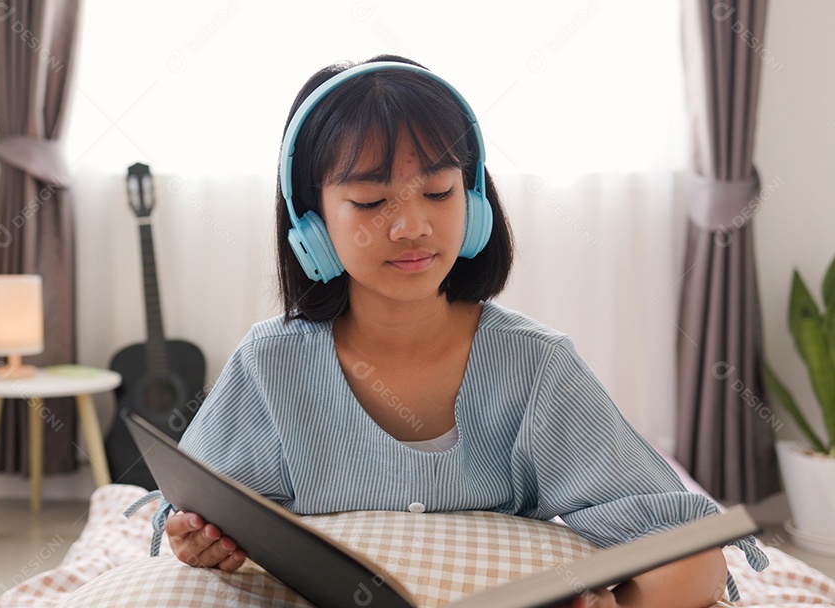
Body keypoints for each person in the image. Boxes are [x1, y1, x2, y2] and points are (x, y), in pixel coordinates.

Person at [130, 55, 768, 607]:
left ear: (477, 204)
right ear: (311, 225)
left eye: (439, 191)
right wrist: (202, 541)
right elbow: (199, 518)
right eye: (373, 202)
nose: (412, 227)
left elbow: (694, 556)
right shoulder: (269, 366)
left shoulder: (535, 366)